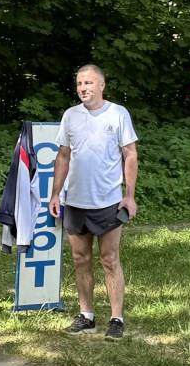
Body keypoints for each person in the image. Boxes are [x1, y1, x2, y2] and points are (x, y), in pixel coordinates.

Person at [48, 64, 138, 340]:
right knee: (80, 259)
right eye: (79, 83)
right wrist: (55, 193)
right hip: (75, 201)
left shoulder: (118, 114)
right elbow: (63, 156)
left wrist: (129, 195)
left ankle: (116, 319)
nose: (83, 88)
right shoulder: (70, 116)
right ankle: (86, 315)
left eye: (88, 83)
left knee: (109, 259)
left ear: (101, 85)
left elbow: (130, 154)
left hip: (108, 201)